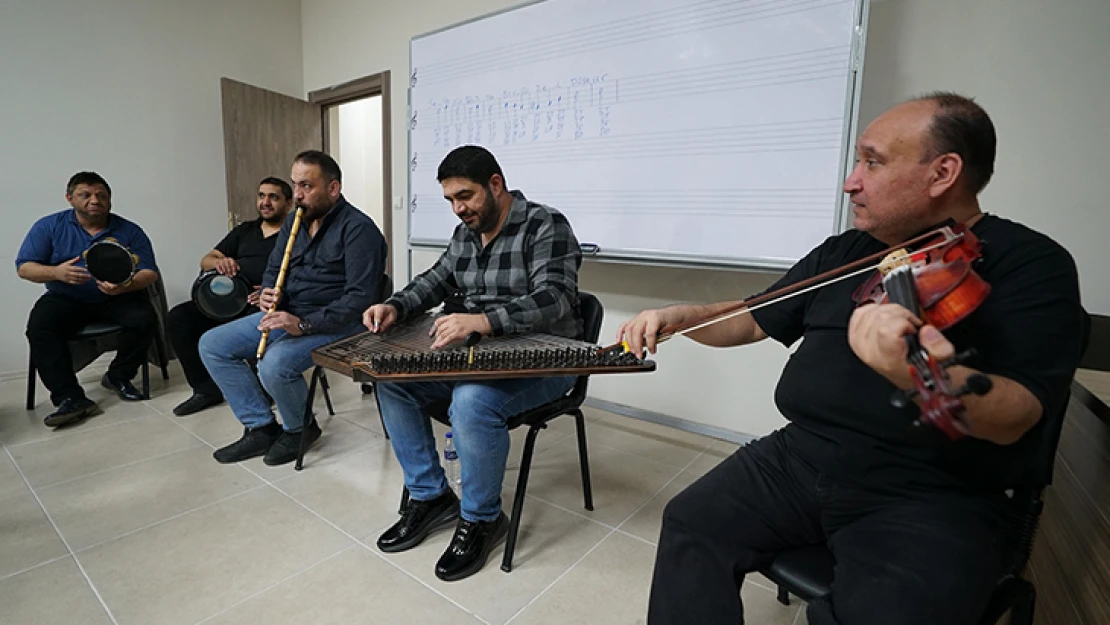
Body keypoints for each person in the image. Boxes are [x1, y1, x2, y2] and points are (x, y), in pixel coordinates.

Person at [625, 93, 1089, 625]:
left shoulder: (1031, 264)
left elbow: (1019, 416)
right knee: (691, 523)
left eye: (872, 161)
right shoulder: (848, 251)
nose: (851, 180)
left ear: (943, 172)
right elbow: (754, 318)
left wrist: (918, 372)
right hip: (799, 457)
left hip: (935, 490)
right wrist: (686, 317)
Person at [363, 145, 582, 582]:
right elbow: (434, 280)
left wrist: (483, 320)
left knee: (472, 402)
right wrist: (394, 305)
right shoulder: (466, 234)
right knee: (391, 380)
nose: (458, 208)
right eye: (450, 200)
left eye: (465, 196)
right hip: (477, 355)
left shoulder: (544, 224)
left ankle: (482, 518)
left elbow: (556, 296)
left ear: (495, 185)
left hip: (548, 360)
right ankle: (430, 496)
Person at [200, 151, 386, 466]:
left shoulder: (358, 229)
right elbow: (275, 270)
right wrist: (271, 295)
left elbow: (359, 300)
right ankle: (261, 427)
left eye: (306, 186)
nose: (297, 195)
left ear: (333, 188)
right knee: (212, 344)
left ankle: (300, 428)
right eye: (295, 184)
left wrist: (303, 325)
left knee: (274, 365)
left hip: (339, 323)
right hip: (289, 314)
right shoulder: (294, 221)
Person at [17, 171, 160, 427]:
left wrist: (125, 285)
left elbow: (149, 272)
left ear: (110, 201)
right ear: (70, 198)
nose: (94, 200)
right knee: (40, 325)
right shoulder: (48, 226)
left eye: (101, 195)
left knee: (145, 317)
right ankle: (70, 398)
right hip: (66, 297)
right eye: (85, 195)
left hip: (118, 296)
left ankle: (118, 376)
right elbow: (24, 267)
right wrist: (56, 272)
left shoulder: (129, 230)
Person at [166, 177, 292, 416]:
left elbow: (301, 275)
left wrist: (271, 290)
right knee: (178, 318)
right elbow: (206, 260)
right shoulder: (244, 231)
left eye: (274, 197)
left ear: (288, 203)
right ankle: (205, 390)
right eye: (261, 196)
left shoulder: (293, 235)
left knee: (259, 321)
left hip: (265, 305)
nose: (265, 202)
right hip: (228, 302)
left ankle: (261, 389)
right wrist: (220, 261)